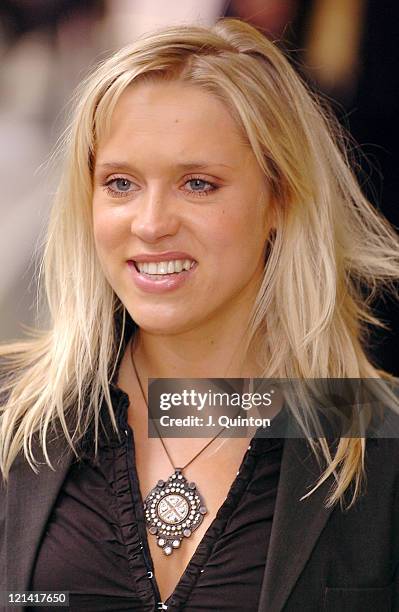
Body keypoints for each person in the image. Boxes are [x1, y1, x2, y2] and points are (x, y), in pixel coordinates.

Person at [1, 17, 399, 612]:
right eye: (120, 183)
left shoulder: (378, 431)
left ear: (279, 200)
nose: (151, 222)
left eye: (198, 184)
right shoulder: (12, 414)